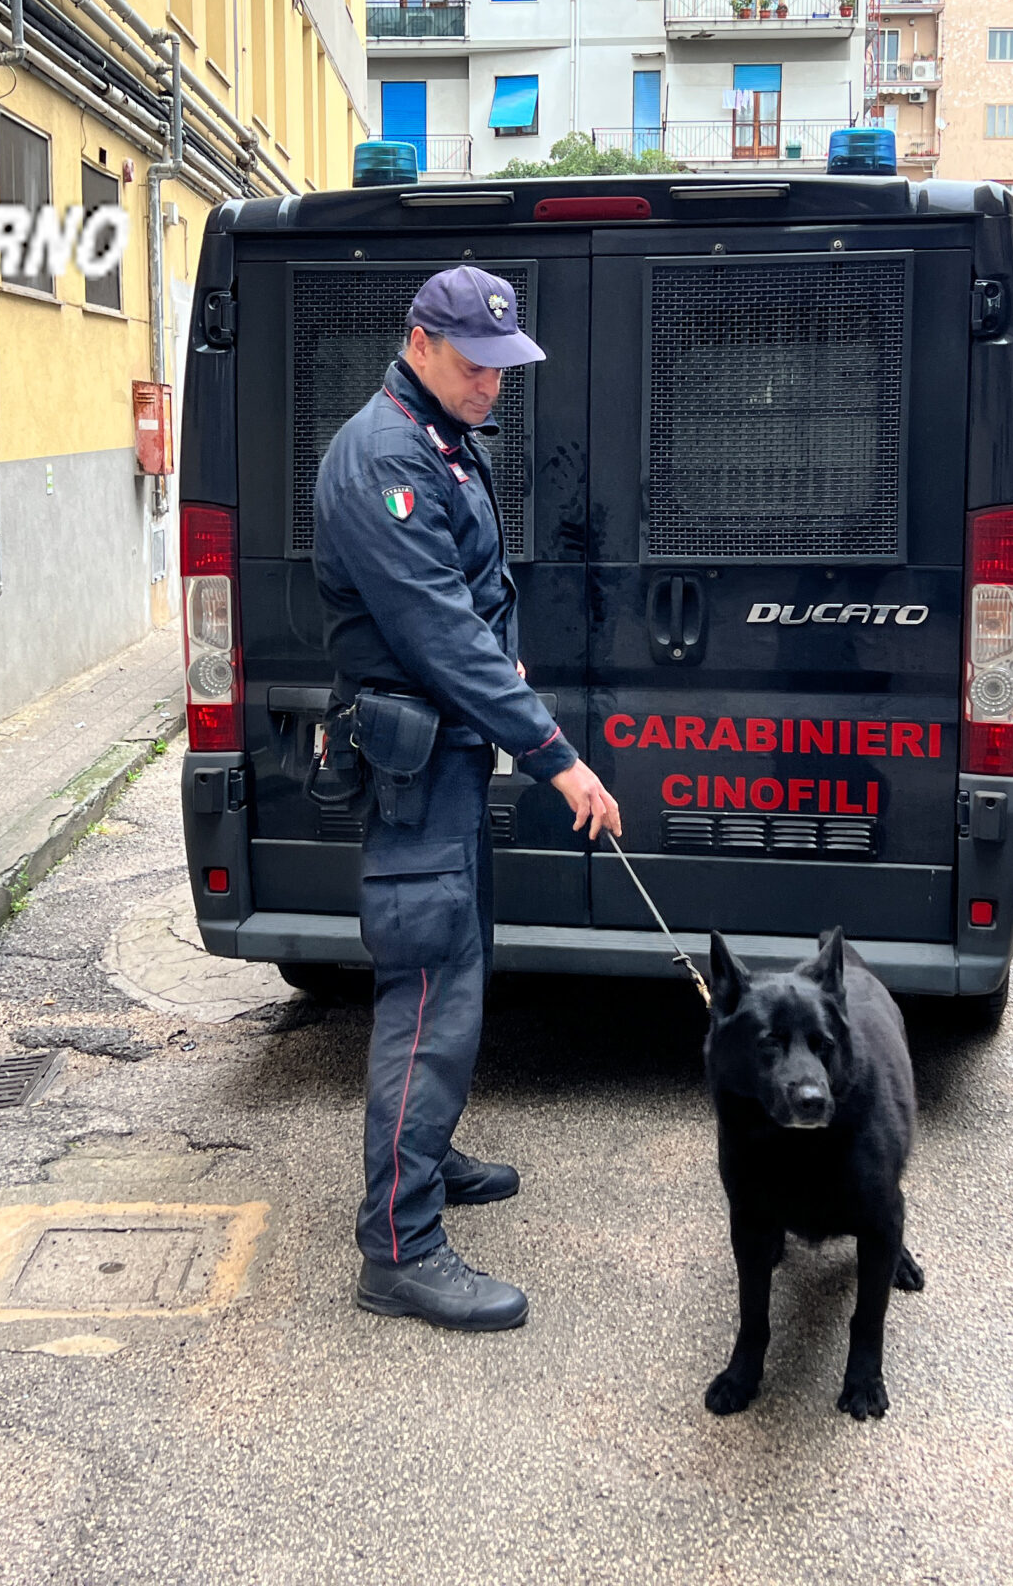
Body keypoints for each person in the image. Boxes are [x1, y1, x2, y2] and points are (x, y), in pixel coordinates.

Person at [311, 265, 623, 1331]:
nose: (495, 383)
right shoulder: (383, 461)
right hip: (417, 768)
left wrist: (512, 684)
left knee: (460, 963)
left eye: (504, 365)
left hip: (449, 755)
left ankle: (428, 1158)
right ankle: (400, 1248)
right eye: (478, 363)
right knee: (428, 990)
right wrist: (556, 756)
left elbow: (482, 603)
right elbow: (440, 630)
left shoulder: (441, 438)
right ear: (421, 341)